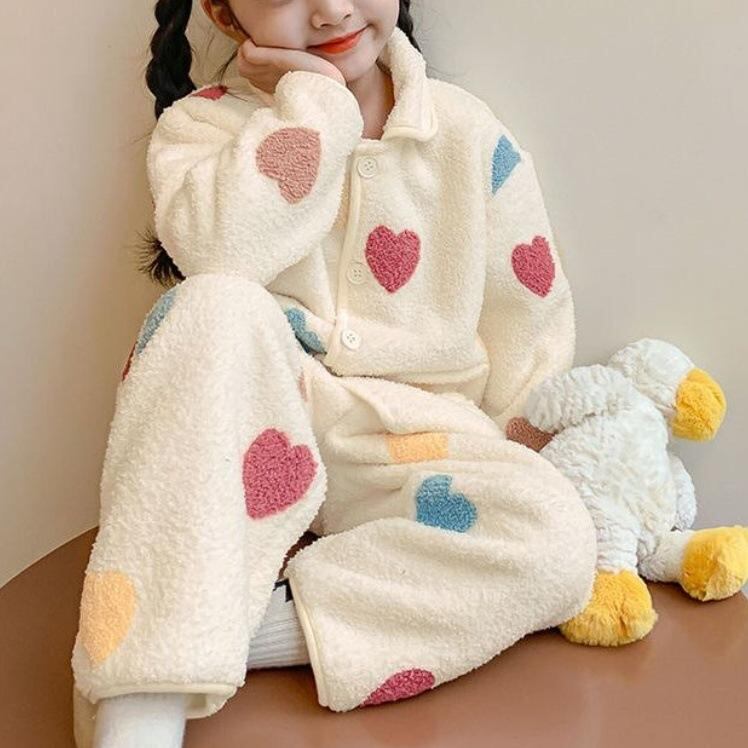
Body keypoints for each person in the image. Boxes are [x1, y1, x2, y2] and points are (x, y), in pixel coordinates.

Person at [70, 1, 598, 746]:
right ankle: (140, 701)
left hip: (418, 455)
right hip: (264, 427)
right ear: (223, 11)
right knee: (213, 302)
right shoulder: (204, 125)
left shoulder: (467, 133)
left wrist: (516, 470)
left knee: (558, 536)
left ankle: (225, 630)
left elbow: (529, 323)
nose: (331, 9)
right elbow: (220, 253)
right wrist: (317, 104)